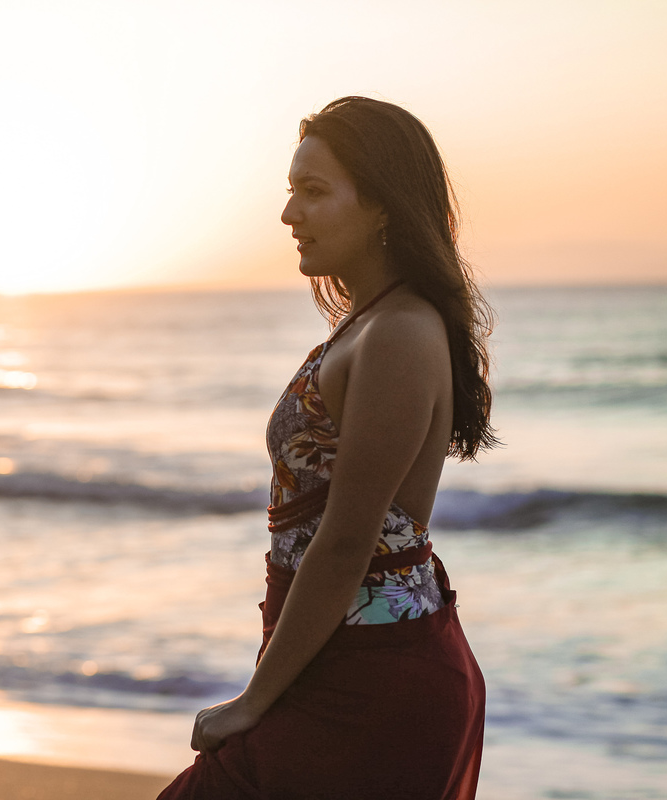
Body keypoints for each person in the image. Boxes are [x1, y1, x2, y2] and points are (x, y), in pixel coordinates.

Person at [157, 97, 497, 800]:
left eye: (313, 191)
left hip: (376, 684)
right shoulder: (369, 324)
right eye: (290, 191)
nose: (290, 214)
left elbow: (346, 541)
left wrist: (253, 701)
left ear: (382, 206)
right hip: (342, 662)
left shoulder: (399, 332)